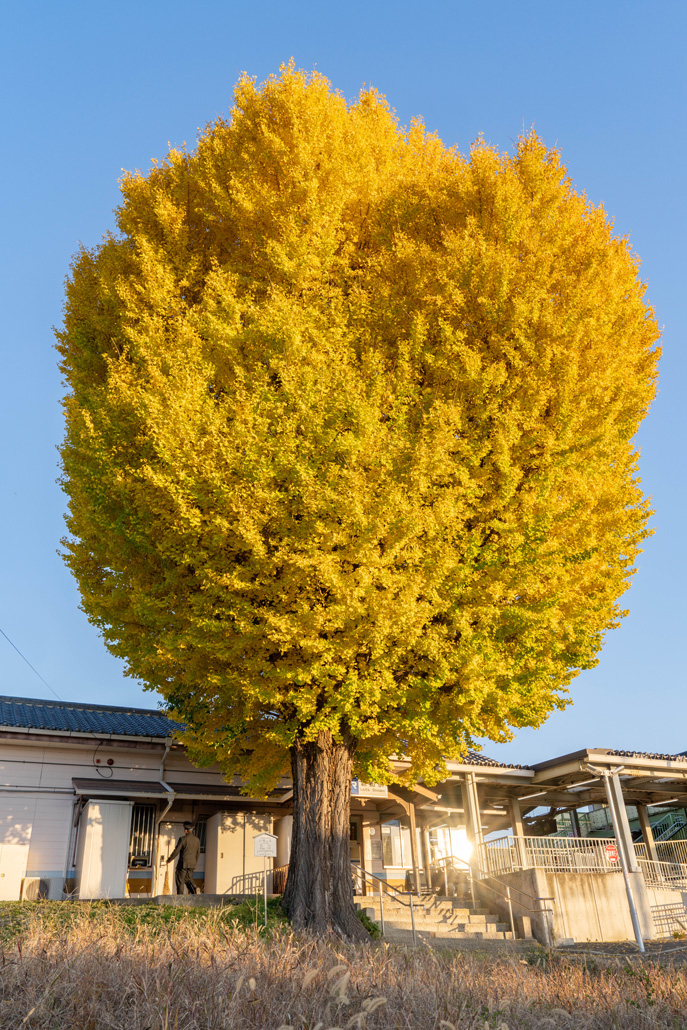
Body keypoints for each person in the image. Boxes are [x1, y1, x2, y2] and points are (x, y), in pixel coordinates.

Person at [167, 821, 201, 894]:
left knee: (180, 880)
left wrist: (169, 859)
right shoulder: (197, 840)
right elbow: (198, 853)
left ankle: (180, 897)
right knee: (188, 879)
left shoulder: (183, 839)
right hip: (192, 864)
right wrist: (194, 862)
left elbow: (176, 851)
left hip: (183, 864)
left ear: (186, 830)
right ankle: (195, 889)